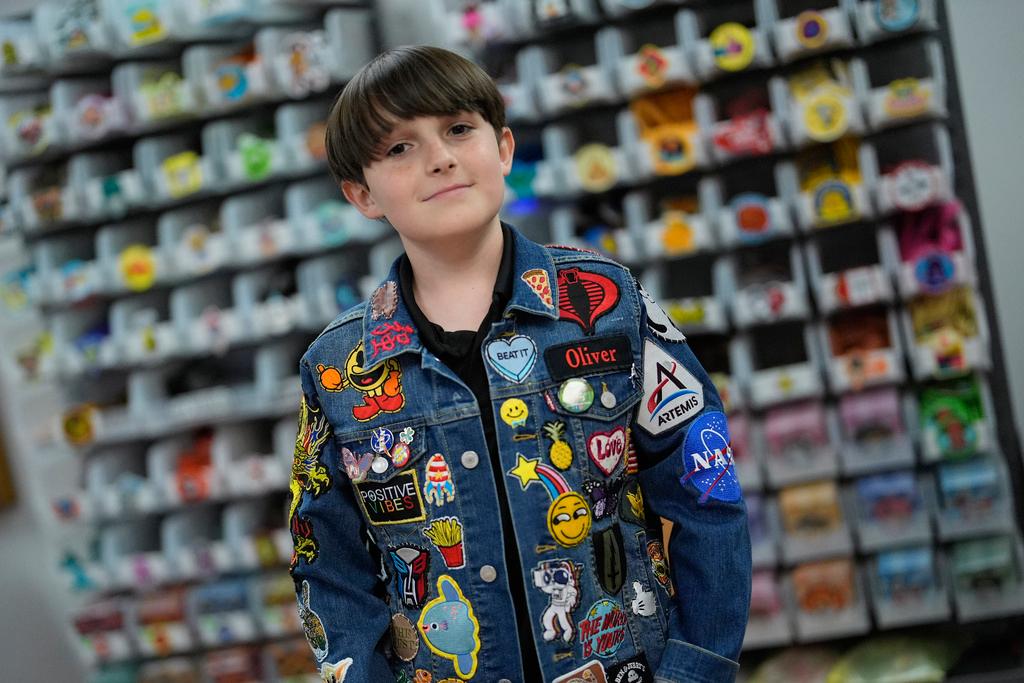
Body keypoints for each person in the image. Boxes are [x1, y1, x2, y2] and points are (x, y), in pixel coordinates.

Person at [289, 44, 751, 683]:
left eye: (457, 129)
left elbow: (706, 490)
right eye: (399, 148)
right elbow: (327, 566)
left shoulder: (607, 304)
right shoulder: (340, 369)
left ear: (503, 148)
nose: (439, 157)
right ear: (362, 194)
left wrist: (696, 669)